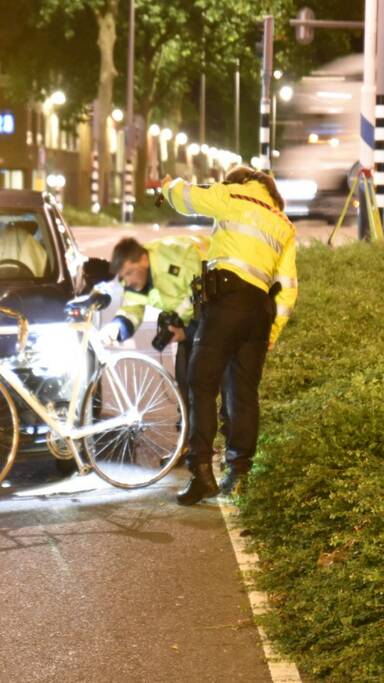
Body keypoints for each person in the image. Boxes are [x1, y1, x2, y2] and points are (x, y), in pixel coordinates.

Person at [160, 166, 298, 504]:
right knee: (243, 393)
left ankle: (202, 472)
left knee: (201, 383)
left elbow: (187, 197)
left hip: (227, 302)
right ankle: (239, 474)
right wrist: (271, 332)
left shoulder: (231, 195)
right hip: (260, 312)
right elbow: (289, 290)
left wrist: (168, 186)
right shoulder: (283, 224)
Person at [103, 235, 208, 407]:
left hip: (215, 314)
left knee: (209, 385)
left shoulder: (175, 259)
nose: (128, 281)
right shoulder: (135, 281)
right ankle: (188, 424)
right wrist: (117, 327)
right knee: (186, 382)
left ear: (144, 260)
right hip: (188, 323)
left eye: (129, 272)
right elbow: (132, 309)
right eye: (123, 276)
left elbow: (204, 297)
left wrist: (186, 328)